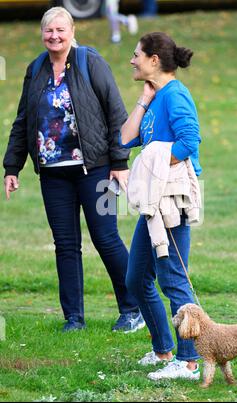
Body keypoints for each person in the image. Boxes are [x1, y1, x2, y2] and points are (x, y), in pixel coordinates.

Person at [3, 6, 144, 333]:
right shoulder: (35, 69)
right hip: (54, 175)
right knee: (65, 245)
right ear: (42, 33)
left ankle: (134, 309)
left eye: (60, 30)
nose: (54, 36)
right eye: (48, 31)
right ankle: (74, 319)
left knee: (107, 238)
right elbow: (23, 120)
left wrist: (120, 162)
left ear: (71, 31)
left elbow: (116, 112)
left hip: (98, 171)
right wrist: (13, 166)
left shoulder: (89, 62)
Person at [120, 32, 202, 380]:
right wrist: (142, 100)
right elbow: (124, 139)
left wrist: (155, 164)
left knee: (173, 278)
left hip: (173, 199)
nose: (131, 60)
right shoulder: (156, 98)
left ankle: (188, 361)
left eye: (136, 54)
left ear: (154, 59)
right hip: (155, 201)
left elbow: (189, 140)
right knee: (136, 278)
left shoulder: (176, 96)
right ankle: (163, 350)